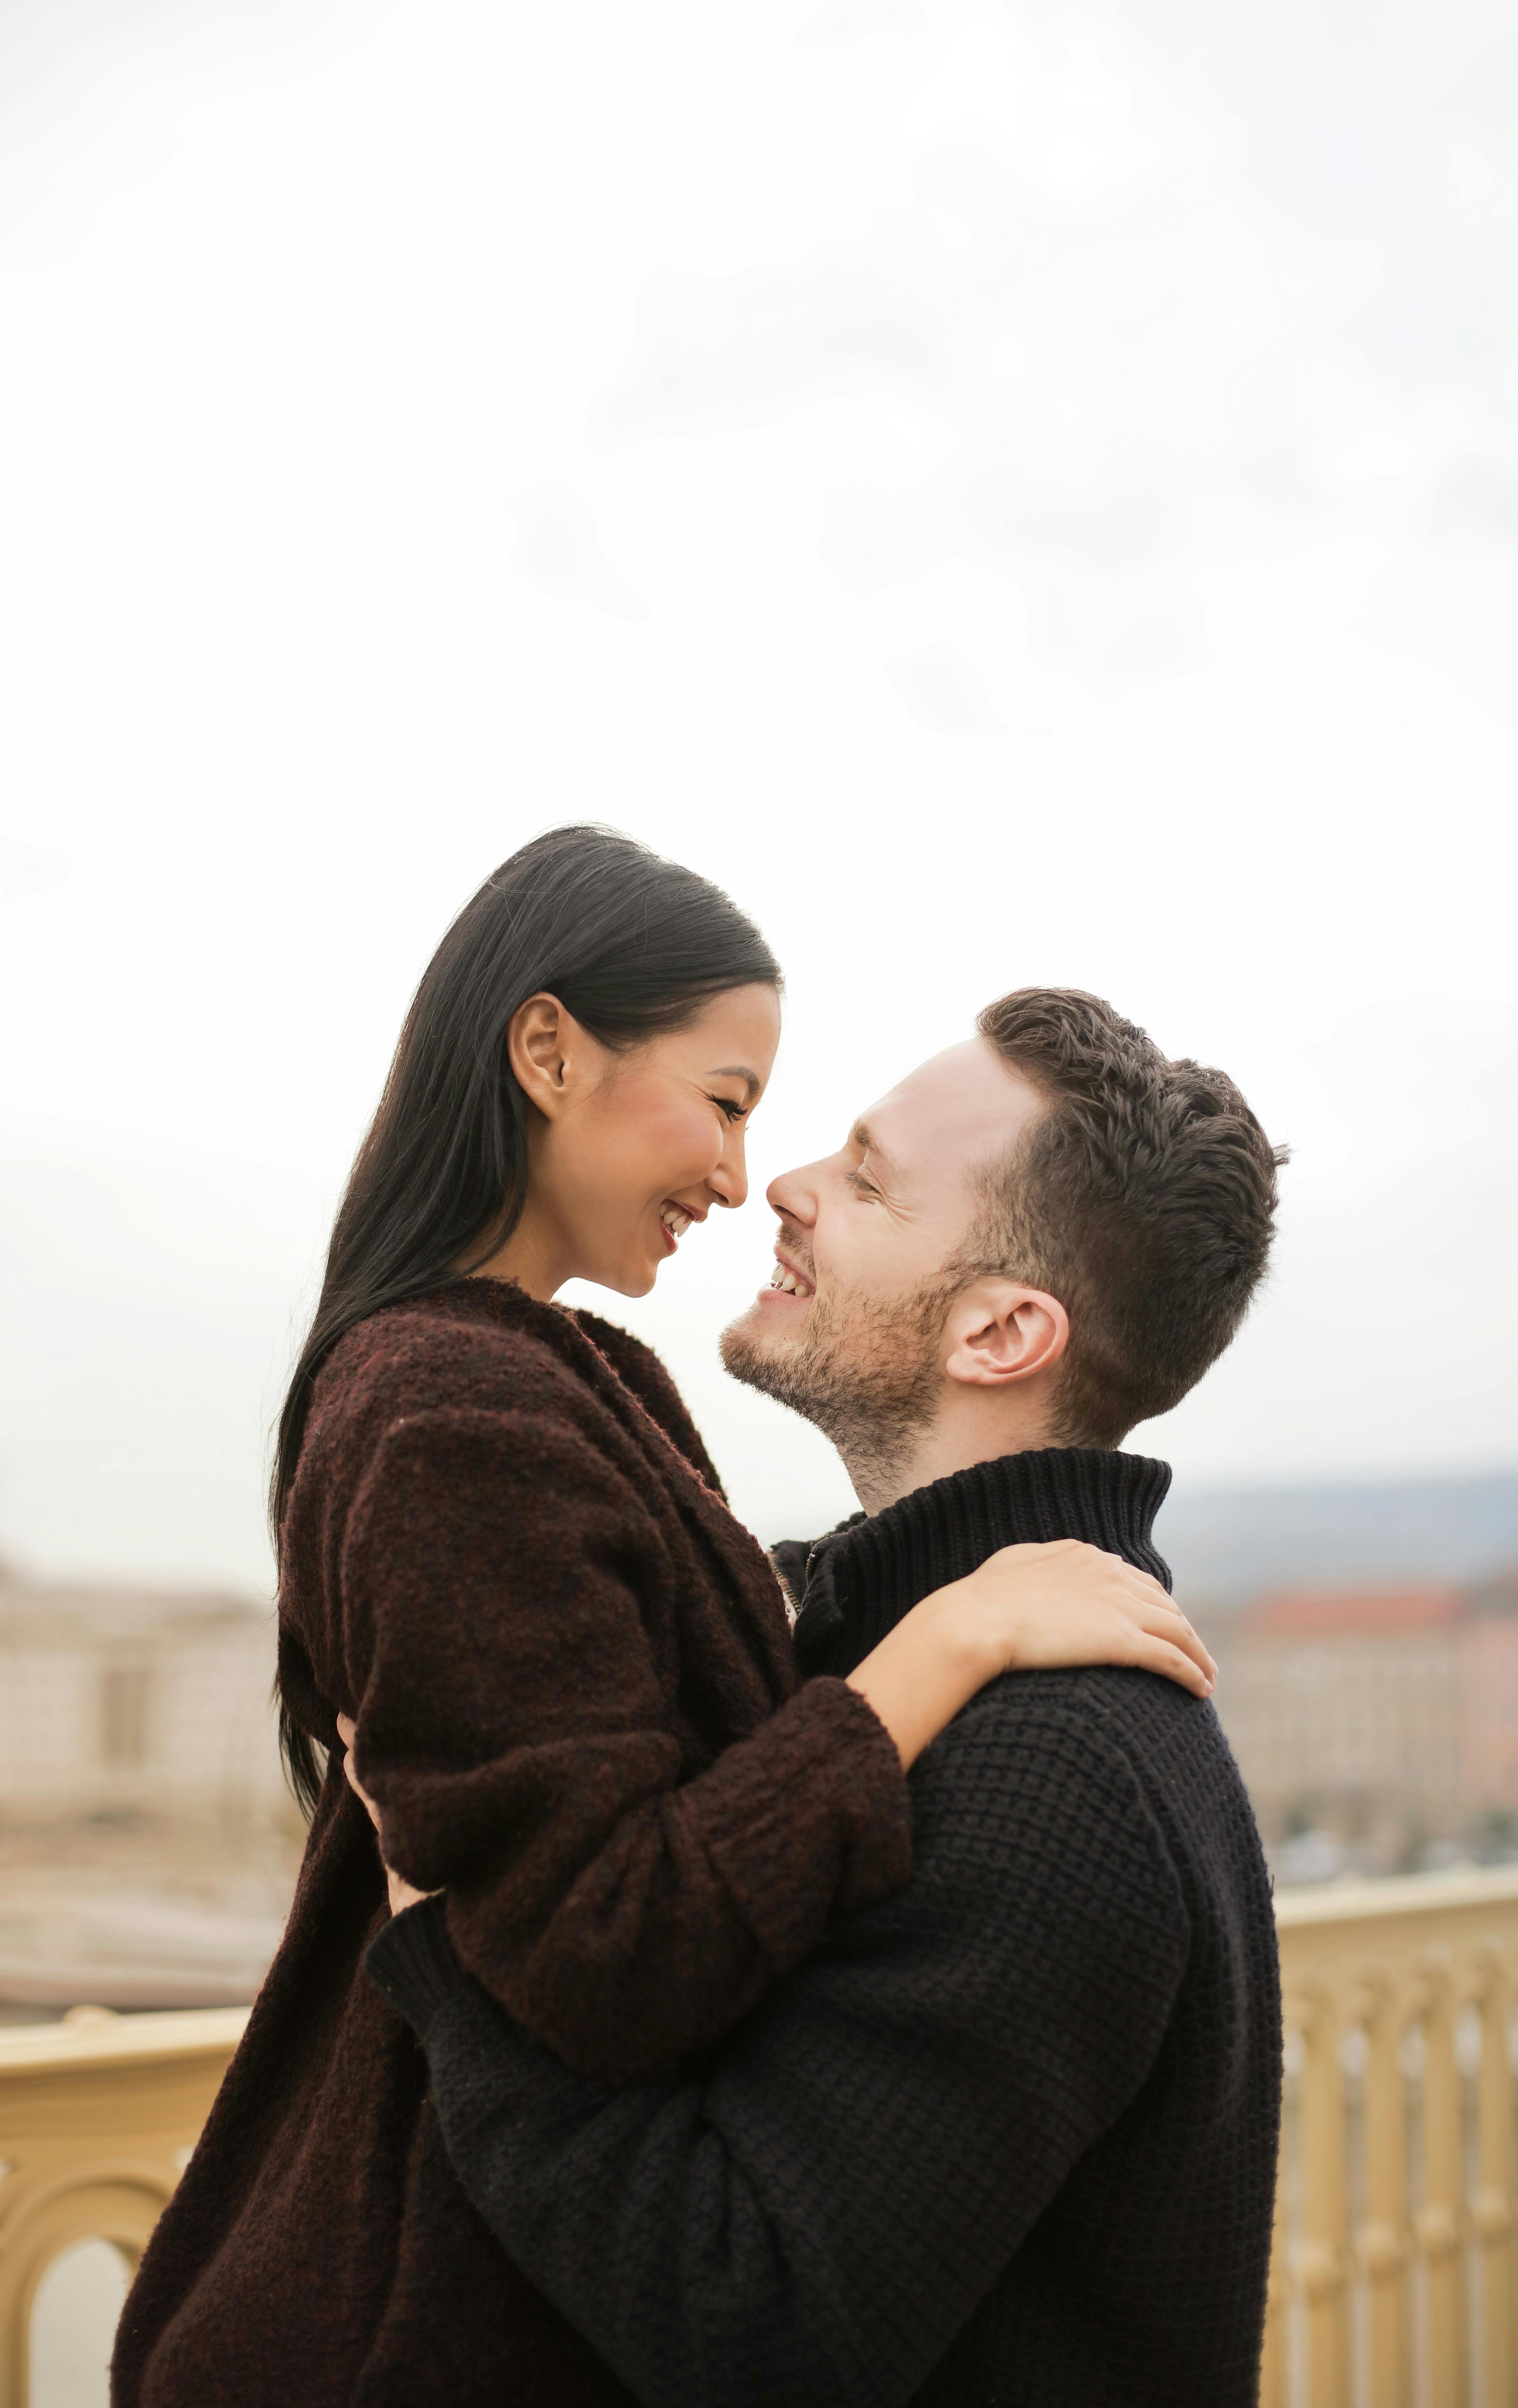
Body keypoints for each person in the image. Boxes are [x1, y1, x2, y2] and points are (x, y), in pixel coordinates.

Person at [111, 834, 1211, 2408]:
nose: (741, 1170)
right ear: (547, 1050)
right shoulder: (442, 1408)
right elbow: (609, 1953)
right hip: (412, 2331)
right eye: (730, 1098)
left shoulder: (579, 1381)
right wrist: (939, 1644)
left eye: (761, 1119)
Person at [358, 986, 1288, 2408]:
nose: (777, 1185)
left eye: (865, 1181)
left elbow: (743, 2322)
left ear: (998, 1335)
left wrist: (448, 1954)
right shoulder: (897, 1666)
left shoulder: (1056, 1767)